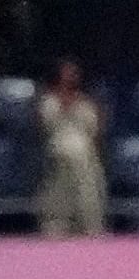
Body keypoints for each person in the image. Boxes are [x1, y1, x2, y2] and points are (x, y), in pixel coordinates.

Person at [35, 61, 107, 238]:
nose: (72, 77)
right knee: (58, 205)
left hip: (85, 159)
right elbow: (45, 125)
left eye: (74, 73)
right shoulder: (48, 100)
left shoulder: (87, 102)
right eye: (67, 73)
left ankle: (90, 232)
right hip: (58, 158)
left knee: (88, 199)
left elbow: (95, 129)